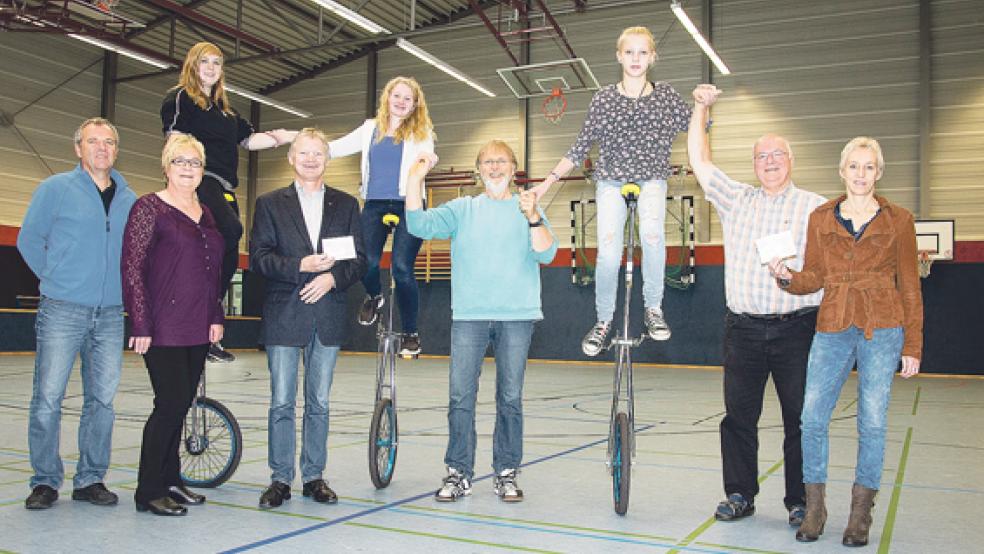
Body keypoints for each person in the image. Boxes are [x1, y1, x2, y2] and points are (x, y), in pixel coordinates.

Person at [769, 137, 922, 546]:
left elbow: (909, 286)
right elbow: (815, 276)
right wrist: (787, 276)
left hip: (883, 326)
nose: (860, 174)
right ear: (841, 171)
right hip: (833, 323)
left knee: (872, 422)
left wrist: (913, 345)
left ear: (879, 172)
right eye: (853, 166)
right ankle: (815, 508)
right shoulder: (821, 217)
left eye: (868, 167)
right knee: (812, 418)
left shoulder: (900, 220)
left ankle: (860, 514)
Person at [687, 85, 826, 526]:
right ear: (753, 165)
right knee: (739, 419)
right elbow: (700, 162)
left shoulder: (816, 208)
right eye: (761, 156)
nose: (769, 162)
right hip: (742, 330)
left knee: (800, 421)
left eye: (777, 155)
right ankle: (739, 494)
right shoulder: (736, 201)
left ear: (791, 161)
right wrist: (700, 109)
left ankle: (800, 501)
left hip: (798, 329)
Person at [405, 140, 558, 503]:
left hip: (516, 317)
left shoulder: (528, 207)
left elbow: (548, 252)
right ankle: (458, 473)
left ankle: (506, 472)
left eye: (501, 161)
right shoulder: (463, 208)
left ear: (514, 167)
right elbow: (417, 224)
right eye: (487, 162)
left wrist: (534, 215)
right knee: (461, 397)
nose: (494, 167)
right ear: (478, 170)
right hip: (470, 317)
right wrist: (415, 177)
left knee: (510, 397)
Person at [531, 26, 693, 355]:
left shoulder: (666, 96)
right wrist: (544, 185)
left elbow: (697, 128)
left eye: (642, 52)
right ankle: (603, 321)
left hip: (652, 180)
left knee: (651, 235)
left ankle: (653, 309)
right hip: (610, 181)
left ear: (652, 56)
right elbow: (579, 149)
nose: (635, 59)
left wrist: (703, 105)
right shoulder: (604, 98)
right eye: (629, 52)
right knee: (607, 253)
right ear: (619, 56)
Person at [17, 117, 137, 510]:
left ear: (116, 150)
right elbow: (29, 239)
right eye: (93, 141)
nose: (102, 148)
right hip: (62, 310)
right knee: (48, 398)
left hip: (109, 315)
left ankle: (90, 479)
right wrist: (56, 278)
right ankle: (45, 481)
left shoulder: (129, 198)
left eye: (109, 142)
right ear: (78, 148)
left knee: (102, 400)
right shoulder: (55, 189)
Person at [250, 128, 367, 509]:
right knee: (281, 402)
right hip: (286, 313)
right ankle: (280, 478)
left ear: (328, 159)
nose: (311, 159)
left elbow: (359, 261)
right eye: (304, 153)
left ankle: (314, 476)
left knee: (319, 402)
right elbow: (259, 258)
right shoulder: (269, 203)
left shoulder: (347, 205)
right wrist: (299, 265)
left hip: (327, 314)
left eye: (319, 153)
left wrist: (333, 278)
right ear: (291, 157)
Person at [161, 41, 297, 363]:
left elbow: (250, 141)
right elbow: (174, 139)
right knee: (230, 228)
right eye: (204, 62)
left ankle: (206, 321)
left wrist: (285, 136)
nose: (210, 68)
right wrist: (184, 176)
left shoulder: (226, 111)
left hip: (224, 187)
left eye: (217, 63)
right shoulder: (180, 98)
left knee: (231, 256)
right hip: (200, 178)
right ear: (193, 65)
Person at [122, 133, 224, 516]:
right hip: (162, 325)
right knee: (169, 405)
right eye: (180, 161)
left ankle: (170, 479)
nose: (188, 169)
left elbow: (213, 271)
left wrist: (216, 315)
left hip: (198, 324)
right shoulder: (149, 208)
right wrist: (141, 323)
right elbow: (132, 268)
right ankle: (148, 490)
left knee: (180, 406)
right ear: (166, 166)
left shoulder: (206, 210)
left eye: (195, 163)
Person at [328, 76, 435, 357]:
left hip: (408, 204)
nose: (400, 102)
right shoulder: (369, 129)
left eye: (407, 99)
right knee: (366, 261)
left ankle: (411, 332)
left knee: (401, 267)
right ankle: (375, 297)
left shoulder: (421, 131)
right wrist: (303, 141)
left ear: (414, 105)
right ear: (387, 97)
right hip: (374, 204)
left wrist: (426, 162)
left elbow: (428, 156)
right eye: (396, 96)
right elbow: (335, 148)